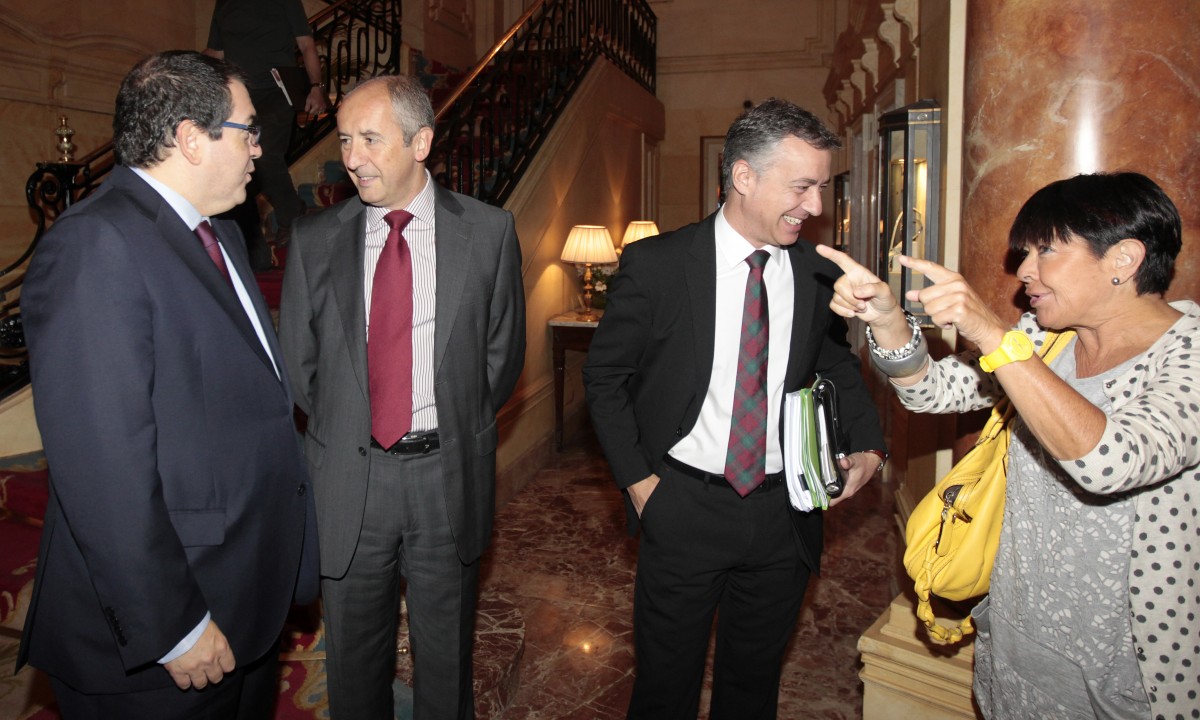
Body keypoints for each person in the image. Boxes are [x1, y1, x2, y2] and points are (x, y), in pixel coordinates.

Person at [818, 172, 1200, 719]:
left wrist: (993, 334)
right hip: (1014, 650)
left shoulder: (1188, 356)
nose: (1024, 272)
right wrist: (888, 320)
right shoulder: (1047, 339)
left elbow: (1111, 462)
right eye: (1026, 253)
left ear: (1124, 258)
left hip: (1129, 682)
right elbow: (933, 391)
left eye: (1046, 250)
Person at [16, 50, 318, 718]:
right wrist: (174, 627)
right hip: (169, 634)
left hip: (241, 596)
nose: (260, 147)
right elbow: (102, 466)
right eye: (248, 129)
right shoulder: (96, 245)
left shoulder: (220, 234)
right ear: (190, 138)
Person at [582, 98, 887, 720]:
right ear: (743, 176)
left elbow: (834, 365)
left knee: (752, 689)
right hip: (682, 505)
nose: (816, 207)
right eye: (802, 186)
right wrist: (640, 484)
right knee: (664, 690)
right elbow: (605, 376)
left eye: (821, 188)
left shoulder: (815, 273)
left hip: (784, 514)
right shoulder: (660, 264)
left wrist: (869, 444)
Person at [277, 74, 526, 720]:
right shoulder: (314, 240)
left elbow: (500, 358)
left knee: (447, 665)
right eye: (343, 140)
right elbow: (300, 367)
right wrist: (349, 426)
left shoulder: (489, 232)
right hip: (350, 482)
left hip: (446, 477)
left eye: (369, 139)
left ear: (421, 142)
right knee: (355, 671)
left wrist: (453, 422)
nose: (351, 157)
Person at [204, 0, 330, 270]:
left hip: (276, 90)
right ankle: (255, 253)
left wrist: (316, 87)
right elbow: (215, 53)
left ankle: (292, 213)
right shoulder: (224, 3)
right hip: (238, 94)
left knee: (264, 155)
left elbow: (306, 44)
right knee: (236, 167)